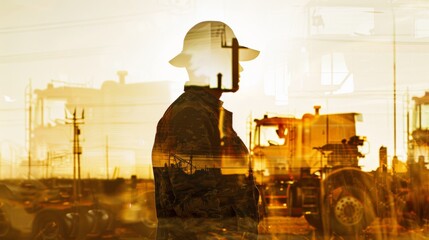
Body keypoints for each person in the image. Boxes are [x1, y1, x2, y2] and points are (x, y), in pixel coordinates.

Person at [152, 21, 260, 239]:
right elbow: (198, 212)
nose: (240, 67)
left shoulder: (205, 114)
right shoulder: (191, 116)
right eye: (233, 59)